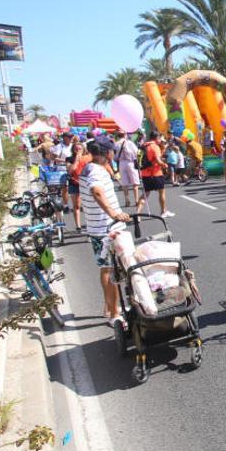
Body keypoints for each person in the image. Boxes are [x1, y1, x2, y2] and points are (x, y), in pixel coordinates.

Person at [79, 138, 132, 327]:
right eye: (112, 151)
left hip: (99, 228)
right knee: (112, 271)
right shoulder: (95, 171)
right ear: (107, 153)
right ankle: (114, 313)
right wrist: (114, 214)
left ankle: (110, 307)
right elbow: (96, 191)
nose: (114, 154)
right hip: (105, 230)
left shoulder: (90, 168)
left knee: (109, 269)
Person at [138, 131, 174, 217]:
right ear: (156, 138)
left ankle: (137, 214)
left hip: (145, 174)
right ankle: (163, 211)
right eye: (159, 138)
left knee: (145, 194)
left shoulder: (143, 145)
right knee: (161, 193)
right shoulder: (155, 146)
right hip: (156, 173)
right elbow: (158, 160)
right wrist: (164, 164)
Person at [66, 140, 92, 232]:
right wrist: (77, 159)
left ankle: (89, 225)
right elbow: (70, 170)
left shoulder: (88, 158)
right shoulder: (69, 159)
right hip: (74, 183)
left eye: (79, 149)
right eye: (76, 149)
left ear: (83, 149)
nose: (78, 150)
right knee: (76, 206)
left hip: (86, 184)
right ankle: (78, 226)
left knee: (88, 206)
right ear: (73, 150)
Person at [115, 131, 141, 208]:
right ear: (125, 135)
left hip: (121, 163)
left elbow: (114, 155)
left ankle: (127, 200)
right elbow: (137, 152)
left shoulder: (116, 144)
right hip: (130, 162)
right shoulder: (130, 143)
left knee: (124, 183)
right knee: (135, 183)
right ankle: (136, 200)